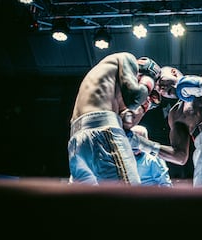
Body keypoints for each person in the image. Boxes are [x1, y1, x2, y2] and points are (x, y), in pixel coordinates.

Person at [67, 52, 161, 185]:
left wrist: (144, 107)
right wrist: (149, 81)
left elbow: (126, 120)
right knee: (128, 198)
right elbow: (134, 98)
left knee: (84, 203)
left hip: (76, 142)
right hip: (102, 132)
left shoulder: (105, 76)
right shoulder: (127, 58)